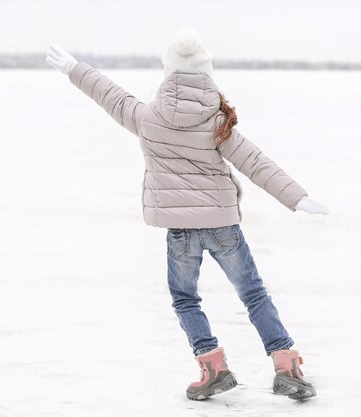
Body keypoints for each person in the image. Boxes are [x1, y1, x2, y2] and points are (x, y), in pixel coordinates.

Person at [46, 28, 329, 401]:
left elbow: (109, 93)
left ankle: (213, 366)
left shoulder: (147, 118)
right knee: (254, 295)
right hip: (223, 226)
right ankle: (286, 366)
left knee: (185, 299)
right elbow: (255, 162)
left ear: (168, 74)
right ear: (207, 75)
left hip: (181, 231)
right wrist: (297, 197)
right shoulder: (217, 123)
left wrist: (74, 69)